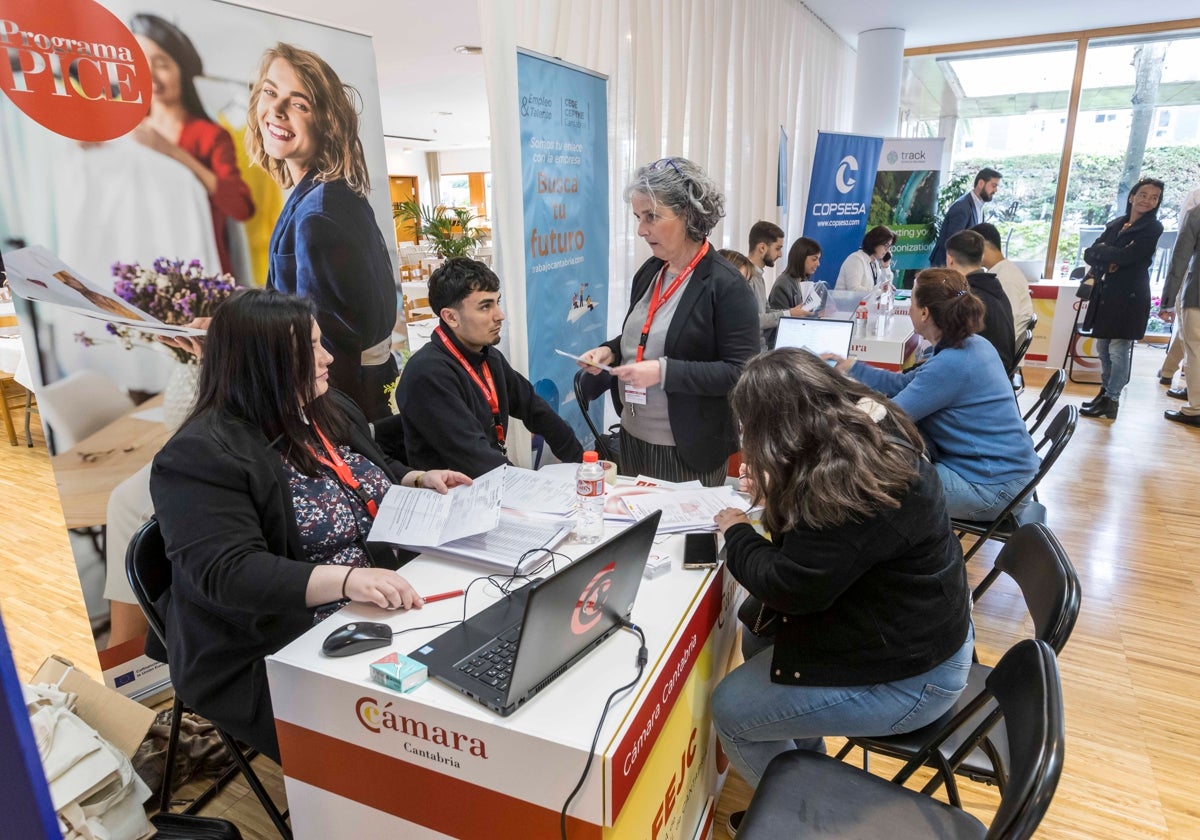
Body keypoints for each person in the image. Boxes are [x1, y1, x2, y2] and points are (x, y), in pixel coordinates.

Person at [149, 289, 470, 762]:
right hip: (270, 640)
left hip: (370, 601)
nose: (328, 357)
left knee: (458, 683)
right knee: (410, 740)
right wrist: (348, 580)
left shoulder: (323, 406)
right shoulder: (200, 455)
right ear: (266, 362)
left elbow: (369, 466)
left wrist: (416, 476)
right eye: (313, 347)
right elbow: (231, 573)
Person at [709, 349, 973, 831]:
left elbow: (791, 585)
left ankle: (807, 817)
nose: (747, 440)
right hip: (907, 631)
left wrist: (737, 530)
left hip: (914, 677)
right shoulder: (861, 433)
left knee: (731, 710)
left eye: (751, 430)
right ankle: (805, 770)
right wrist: (778, 495)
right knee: (757, 636)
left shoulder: (844, 485)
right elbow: (817, 559)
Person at [578, 157, 758, 486]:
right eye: (637, 217)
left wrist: (664, 371)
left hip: (688, 447)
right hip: (632, 436)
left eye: (652, 217)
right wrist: (610, 351)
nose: (641, 229)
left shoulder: (726, 285)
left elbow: (741, 372)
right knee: (640, 532)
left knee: (682, 538)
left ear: (688, 215)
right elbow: (643, 335)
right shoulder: (651, 270)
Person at [246, 43, 399, 419]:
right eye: (270, 92)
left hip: (344, 407)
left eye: (299, 104)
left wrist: (326, 433)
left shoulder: (319, 215)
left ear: (327, 122)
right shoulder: (329, 193)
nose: (276, 111)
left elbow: (330, 350)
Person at [831, 269, 1038, 521]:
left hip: (992, 489)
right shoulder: (972, 344)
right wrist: (851, 368)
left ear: (925, 312)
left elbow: (891, 417)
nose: (908, 309)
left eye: (911, 302)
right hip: (1006, 475)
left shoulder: (951, 364)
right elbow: (904, 383)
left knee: (869, 482)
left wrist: (834, 412)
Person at [388, 257, 584, 477]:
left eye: (497, 302)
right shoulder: (427, 374)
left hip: (491, 484)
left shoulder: (487, 356)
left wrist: (584, 464)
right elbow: (474, 458)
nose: (499, 315)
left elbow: (535, 409)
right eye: (485, 306)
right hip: (455, 498)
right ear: (451, 317)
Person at [130, 14, 255, 277]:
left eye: (162, 63)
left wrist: (173, 152)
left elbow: (241, 206)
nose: (150, 74)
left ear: (182, 71)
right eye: (140, 62)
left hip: (202, 273)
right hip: (145, 268)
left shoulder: (210, 136)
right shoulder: (127, 129)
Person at [1080, 177, 1166, 420]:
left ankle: (1113, 398)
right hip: (1107, 294)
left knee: (1119, 349)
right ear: (1132, 197)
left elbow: (1130, 257)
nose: (1148, 200)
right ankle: (1105, 392)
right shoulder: (1117, 224)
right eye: (1143, 194)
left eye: (1154, 197)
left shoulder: (1152, 228)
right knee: (1103, 347)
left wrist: (1109, 255)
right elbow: (1090, 252)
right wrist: (1111, 258)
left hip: (1130, 296)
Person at [944, 230, 1016, 373]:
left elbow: (950, 343)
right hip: (998, 366)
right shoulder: (993, 286)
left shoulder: (968, 297)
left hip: (982, 371)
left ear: (950, 259)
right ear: (981, 257)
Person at [1159, 204, 1200, 426]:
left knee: (1195, 351)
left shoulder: (1197, 213)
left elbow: (1180, 259)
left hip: (1197, 294)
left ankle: (1195, 409)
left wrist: (1167, 301)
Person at [929, 167, 1001, 267]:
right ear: (981, 183)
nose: (996, 190)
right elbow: (953, 243)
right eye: (993, 186)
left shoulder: (978, 206)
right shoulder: (962, 207)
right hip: (947, 268)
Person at [745, 221, 800, 351]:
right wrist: (789, 314)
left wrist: (793, 312)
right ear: (762, 248)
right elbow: (753, 320)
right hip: (752, 353)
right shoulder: (746, 277)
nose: (780, 254)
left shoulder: (758, 277)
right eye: (777, 248)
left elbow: (766, 311)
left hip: (761, 349)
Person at [972, 222, 1033, 336]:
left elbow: (1006, 323)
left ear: (983, 246)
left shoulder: (1005, 278)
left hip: (1001, 348)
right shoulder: (1003, 271)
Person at [765, 237, 822, 346]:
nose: (818, 264)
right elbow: (780, 323)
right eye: (814, 259)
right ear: (801, 258)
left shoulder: (804, 281)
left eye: (819, 259)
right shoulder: (783, 285)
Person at [836, 225, 895, 294]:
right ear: (875, 242)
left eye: (889, 246)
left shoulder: (874, 262)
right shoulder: (856, 259)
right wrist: (880, 292)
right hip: (845, 304)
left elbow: (884, 286)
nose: (888, 250)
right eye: (886, 245)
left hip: (864, 304)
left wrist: (885, 267)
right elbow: (854, 289)